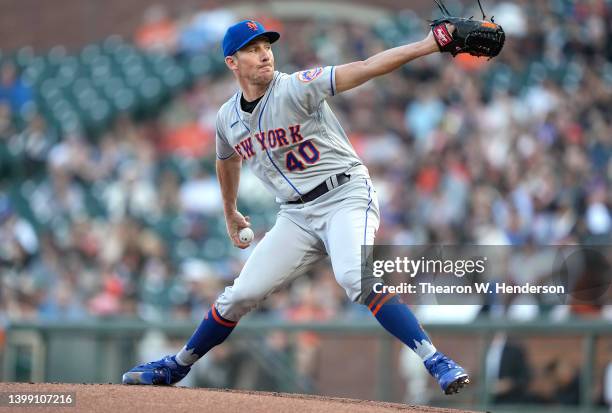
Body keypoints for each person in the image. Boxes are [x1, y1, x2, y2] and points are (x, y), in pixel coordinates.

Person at [122, 18, 470, 395]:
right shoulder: (226, 118)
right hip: (295, 215)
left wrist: (427, 46)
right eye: (252, 50)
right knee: (239, 295)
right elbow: (226, 160)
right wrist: (229, 210)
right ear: (231, 62)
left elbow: (365, 67)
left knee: (355, 278)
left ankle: (436, 359)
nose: (264, 54)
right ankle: (177, 366)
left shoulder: (295, 87)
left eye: (267, 47)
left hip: (345, 195)